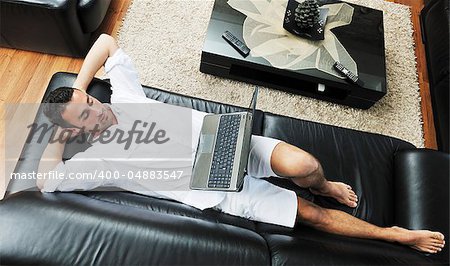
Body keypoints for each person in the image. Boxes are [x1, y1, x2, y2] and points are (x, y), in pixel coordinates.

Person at [38, 34, 445, 254]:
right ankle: (393, 234)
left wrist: (77, 89)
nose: (98, 109)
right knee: (313, 217)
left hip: (225, 138)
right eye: (86, 115)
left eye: (92, 101)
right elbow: (46, 180)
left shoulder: (124, 97)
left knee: (304, 165)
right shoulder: (98, 161)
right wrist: (60, 130)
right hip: (213, 188)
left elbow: (106, 41)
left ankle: (323, 185)